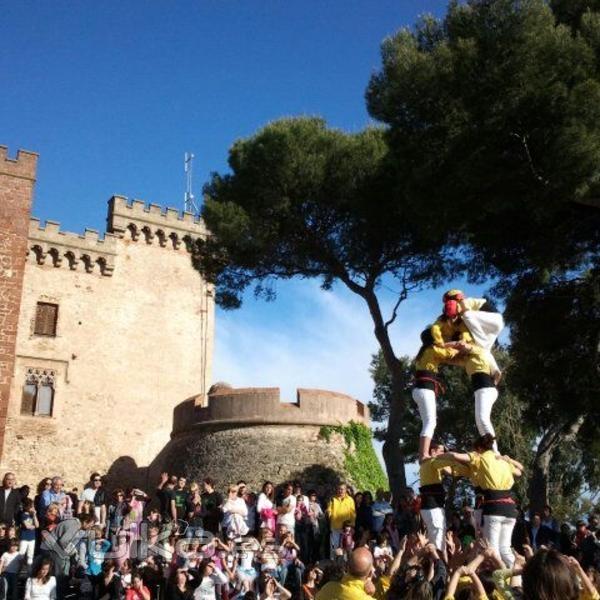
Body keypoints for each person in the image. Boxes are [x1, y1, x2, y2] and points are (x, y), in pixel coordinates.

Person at [441, 433, 522, 567]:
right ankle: (517, 580)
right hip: (510, 509)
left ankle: (499, 582)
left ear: (478, 448)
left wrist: (438, 456)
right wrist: (508, 459)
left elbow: (456, 456)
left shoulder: (479, 458)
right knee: (505, 549)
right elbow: (519, 471)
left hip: (494, 508)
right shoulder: (501, 461)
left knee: (492, 550)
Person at [413, 327, 459, 460]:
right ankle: (423, 454)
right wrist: (459, 344)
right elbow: (449, 354)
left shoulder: (422, 353)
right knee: (430, 423)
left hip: (419, 390)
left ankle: (424, 453)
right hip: (425, 390)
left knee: (428, 422)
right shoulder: (432, 350)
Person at [419, 441, 454, 552]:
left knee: (435, 541)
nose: (443, 454)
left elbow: (448, 470)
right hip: (433, 508)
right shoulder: (433, 462)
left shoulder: (427, 464)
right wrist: (451, 455)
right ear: (433, 451)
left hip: (431, 507)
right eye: (441, 451)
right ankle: (439, 566)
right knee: (438, 544)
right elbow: (450, 469)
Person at [326, 484, 355, 559]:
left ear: (345, 490)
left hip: (346, 528)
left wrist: (352, 526)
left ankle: (344, 565)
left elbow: (353, 514)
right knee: (334, 546)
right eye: (339, 489)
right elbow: (329, 510)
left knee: (346, 546)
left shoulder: (350, 500)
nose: (340, 491)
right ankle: (333, 564)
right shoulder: (333, 499)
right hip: (335, 527)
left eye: (342, 489)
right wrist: (331, 516)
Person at [19, 497, 38, 571]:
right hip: (24, 538)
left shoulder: (32, 515)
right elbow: (27, 526)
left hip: (32, 538)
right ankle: (18, 569)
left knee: (30, 554)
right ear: (27, 506)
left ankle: (29, 571)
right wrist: (32, 526)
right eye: (31, 506)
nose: (33, 507)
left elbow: (37, 525)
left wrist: (34, 515)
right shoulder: (23, 515)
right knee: (21, 554)